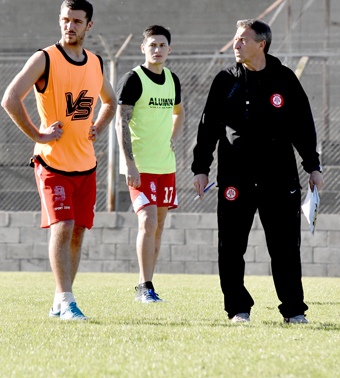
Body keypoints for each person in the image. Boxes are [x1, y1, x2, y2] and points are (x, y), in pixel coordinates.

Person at [192, 19, 323, 325]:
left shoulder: (285, 79)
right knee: (231, 246)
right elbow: (207, 126)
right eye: (235, 39)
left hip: (279, 179)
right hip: (235, 179)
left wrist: (312, 165)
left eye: (242, 40)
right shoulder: (225, 80)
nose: (235, 45)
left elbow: (303, 125)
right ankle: (238, 309)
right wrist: (201, 168)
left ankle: (293, 310)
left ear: (260, 44)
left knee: (286, 248)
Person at [1, 0, 117, 320]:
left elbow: (110, 100)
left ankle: (59, 300)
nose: (69, 26)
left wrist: (99, 124)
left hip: (86, 165)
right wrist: (38, 135)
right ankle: (67, 301)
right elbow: (10, 98)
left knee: (77, 231)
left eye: (77, 21)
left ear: (88, 26)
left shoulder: (95, 62)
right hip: (51, 163)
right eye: (65, 19)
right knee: (63, 226)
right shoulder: (45, 59)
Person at [115, 25, 184, 303]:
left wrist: (172, 138)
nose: (157, 50)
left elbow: (179, 112)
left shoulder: (172, 79)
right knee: (148, 221)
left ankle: (149, 285)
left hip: (166, 167)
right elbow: (121, 121)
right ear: (143, 48)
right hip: (140, 167)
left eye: (162, 45)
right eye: (152, 45)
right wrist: (129, 163)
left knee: (159, 226)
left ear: (169, 49)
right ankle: (144, 287)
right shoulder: (133, 79)